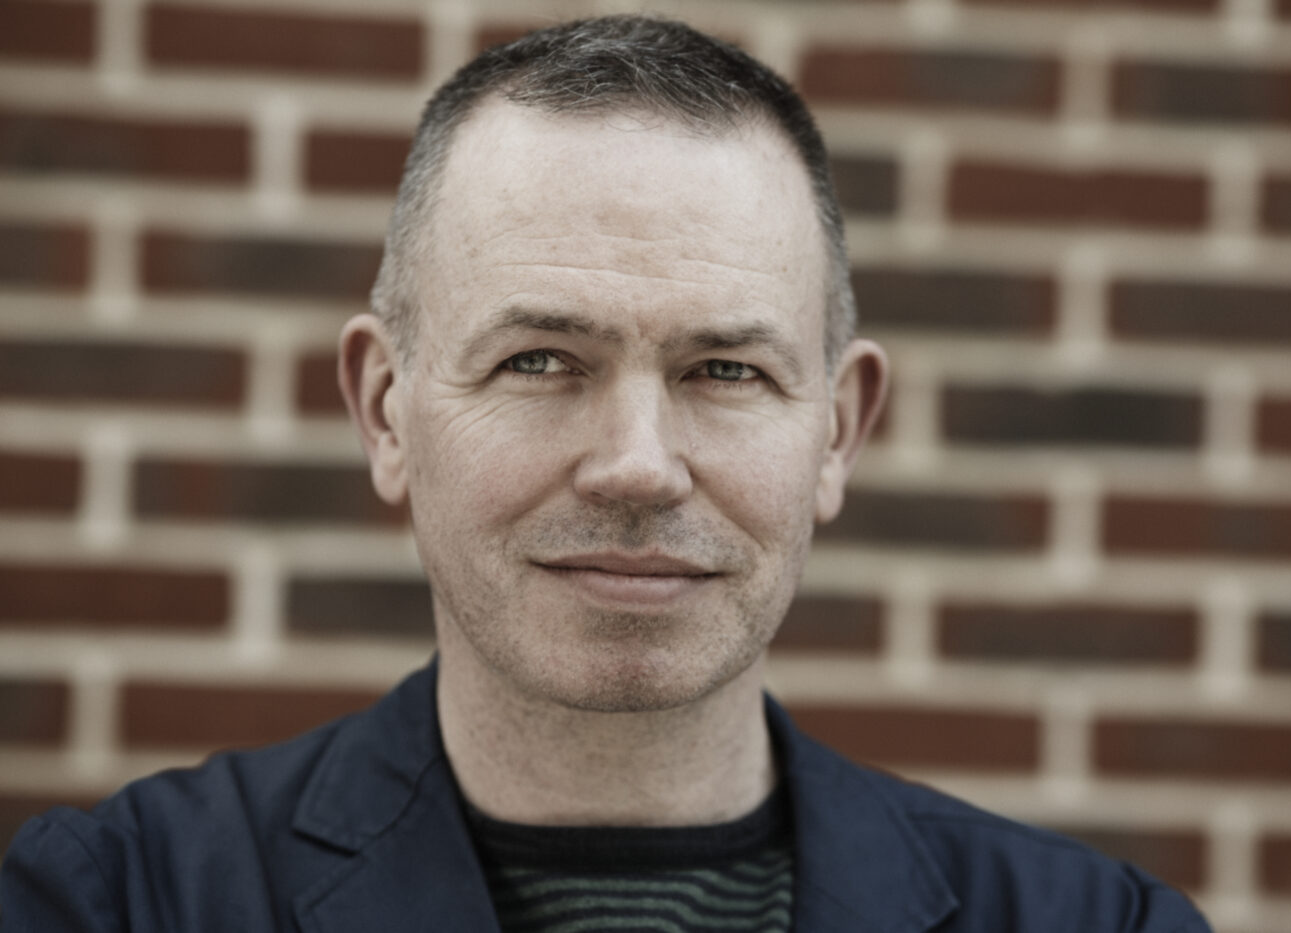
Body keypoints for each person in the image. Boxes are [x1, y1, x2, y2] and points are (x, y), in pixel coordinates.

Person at [0, 16, 1211, 932]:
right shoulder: (113, 903)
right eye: (538, 360)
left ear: (837, 432)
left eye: (724, 370)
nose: (636, 467)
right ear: (384, 410)